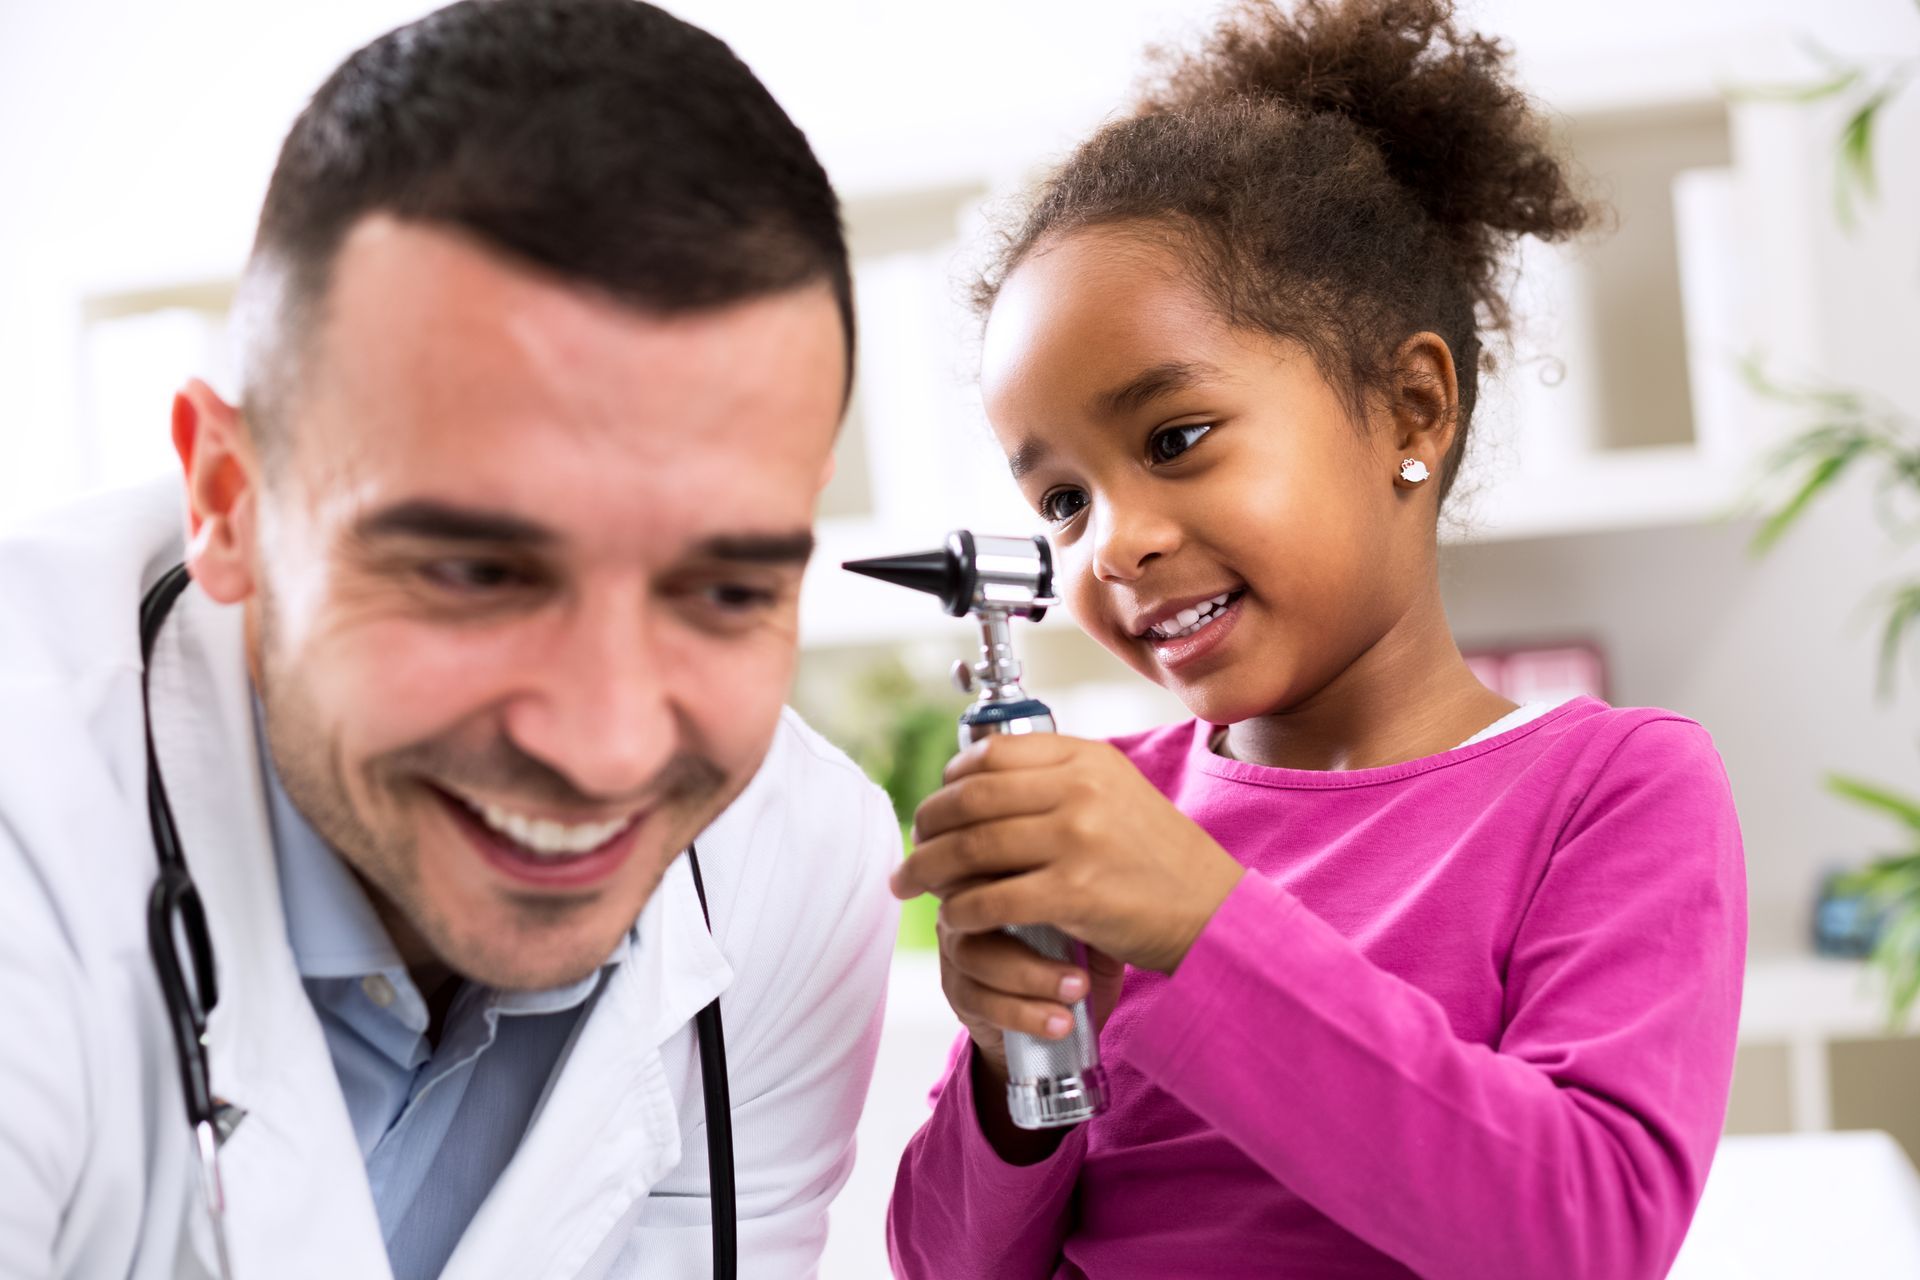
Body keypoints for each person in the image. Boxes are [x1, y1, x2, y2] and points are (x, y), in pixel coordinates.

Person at [0, 2, 900, 1277]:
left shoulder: (797, 869)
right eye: (477, 573)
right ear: (229, 501)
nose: (604, 748)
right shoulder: (28, 818)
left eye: (726, 589)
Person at [886, 1, 1746, 1276]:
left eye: (1176, 438)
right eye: (1062, 499)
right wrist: (1016, 1072)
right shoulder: (1110, 806)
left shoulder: (1613, 789)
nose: (1112, 544)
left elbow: (1585, 1235)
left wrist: (1197, 924)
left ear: (1412, 405)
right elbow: (944, 1262)